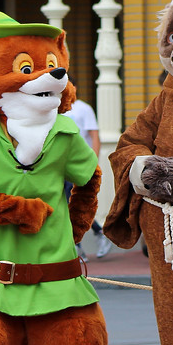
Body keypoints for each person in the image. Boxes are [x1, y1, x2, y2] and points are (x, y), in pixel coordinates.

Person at [63, 87, 113, 260]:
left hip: (78, 165)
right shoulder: (54, 108)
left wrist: (93, 163)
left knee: (73, 204)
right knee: (66, 205)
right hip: (59, 166)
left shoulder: (83, 109)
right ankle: (90, 238)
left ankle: (80, 245)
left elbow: (94, 136)